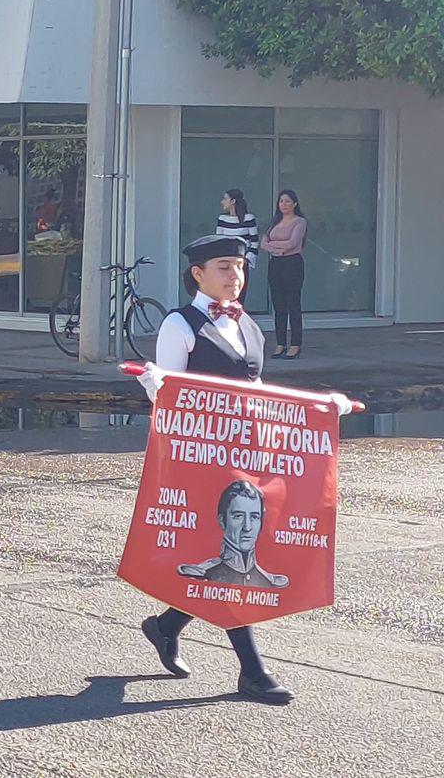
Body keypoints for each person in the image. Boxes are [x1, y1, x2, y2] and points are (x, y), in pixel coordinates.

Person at [133, 234, 350, 706]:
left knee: (240, 544)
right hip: (200, 460)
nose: (236, 277)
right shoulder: (180, 323)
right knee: (234, 551)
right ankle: (253, 672)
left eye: (240, 267)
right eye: (225, 267)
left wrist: (322, 408)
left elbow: (261, 396)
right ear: (198, 274)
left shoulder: (248, 324)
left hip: (246, 454)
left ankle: (166, 625)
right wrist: (155, 386)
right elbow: (172, 399)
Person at [177, 480, 290, 588]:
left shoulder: (269, 583)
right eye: (238, 516)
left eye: (254, 517)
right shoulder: (200, 577)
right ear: (222, 521)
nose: (247, 527)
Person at [262, 189, 307, 360]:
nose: (284, 205)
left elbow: (293, 243)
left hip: (292, 264)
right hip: (276, 264)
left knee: (293, 304)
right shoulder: (275, 221)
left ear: (295, 203)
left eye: (288, 201)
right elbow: (263, 243)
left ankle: (295, 344)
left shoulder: (300, 222)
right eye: (281, 201)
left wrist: (275, 246)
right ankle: (281, 343)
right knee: (278, 305)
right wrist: (276, 248)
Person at [216, 189, 259, 305]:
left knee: (239, 295)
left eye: (225, 199)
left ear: (233, 201)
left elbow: (254, 242)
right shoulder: (222, 219)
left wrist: (246, 260)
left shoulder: (249, 218)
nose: (222, 202)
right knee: (225, 295)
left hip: (241, 263)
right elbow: (219, 241)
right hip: (226, 263)